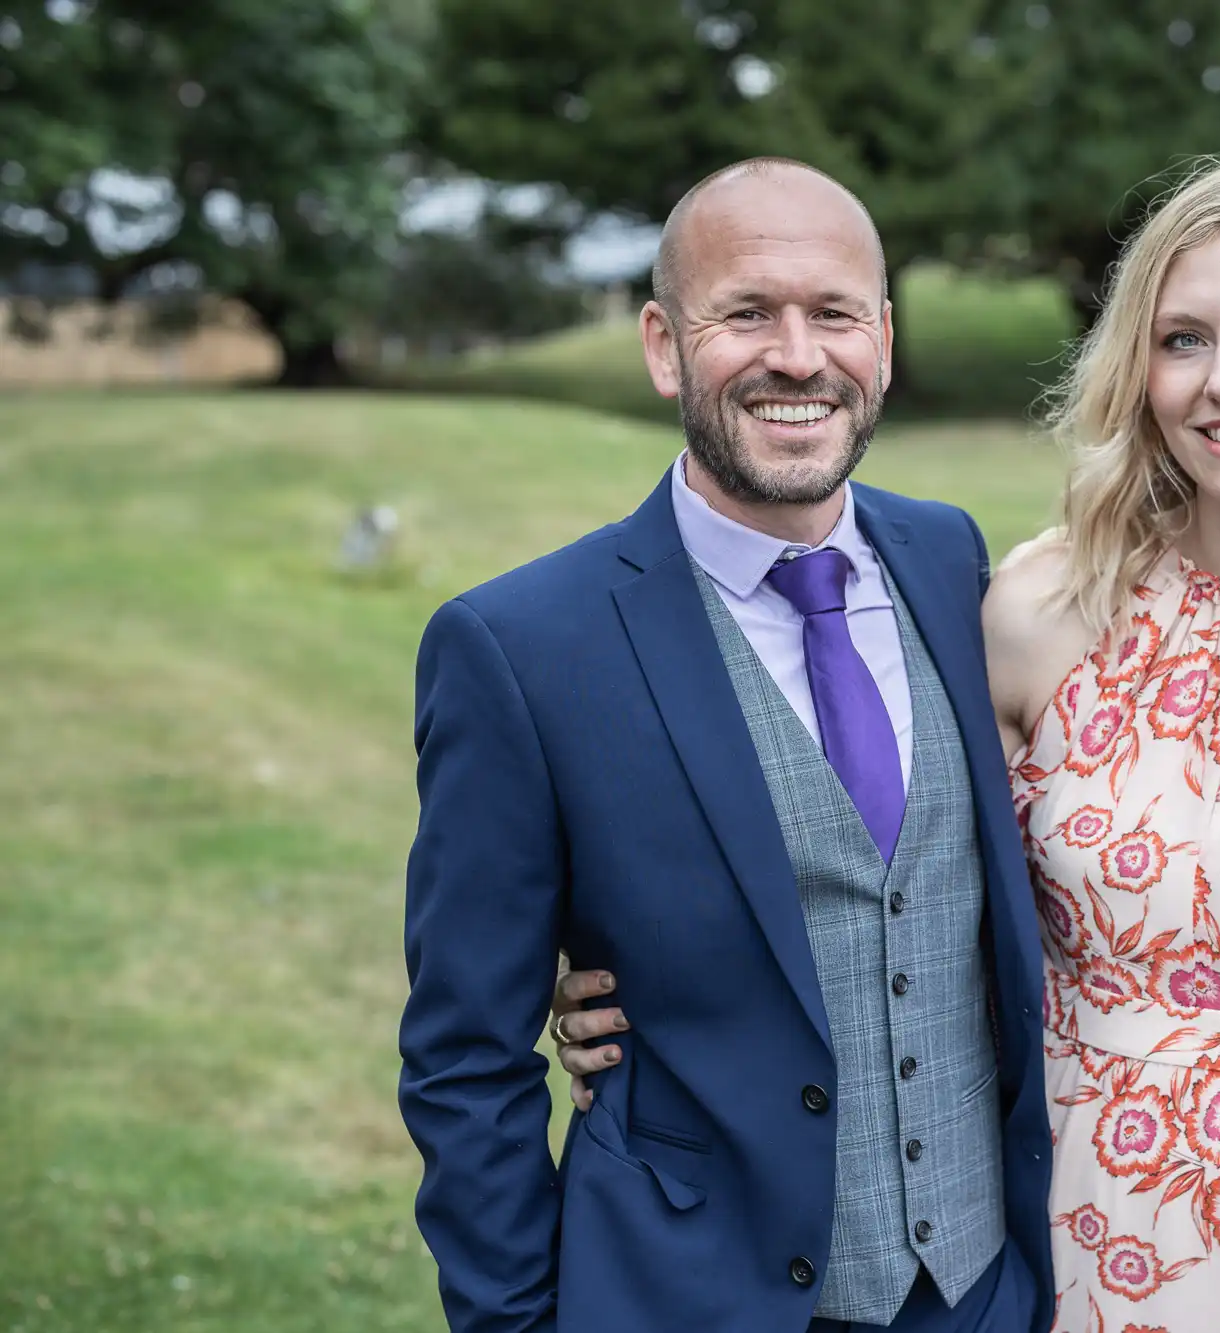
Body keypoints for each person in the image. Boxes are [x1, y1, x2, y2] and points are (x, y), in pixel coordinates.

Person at [558, 151, 1220, 1332]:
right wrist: (613, 963)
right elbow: (875, 870)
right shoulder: (1041, 610)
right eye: (1182, 338)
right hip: (1080, 1243)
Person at [398, 157, 1055, 1333]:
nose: (796, 356)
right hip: (693, 1296)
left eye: (834, 314)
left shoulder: (952, 562)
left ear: (884, 344)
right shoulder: (519, 646)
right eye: (745, 312)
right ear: (662, 344)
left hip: (985, 1291)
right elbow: (464, 1062)